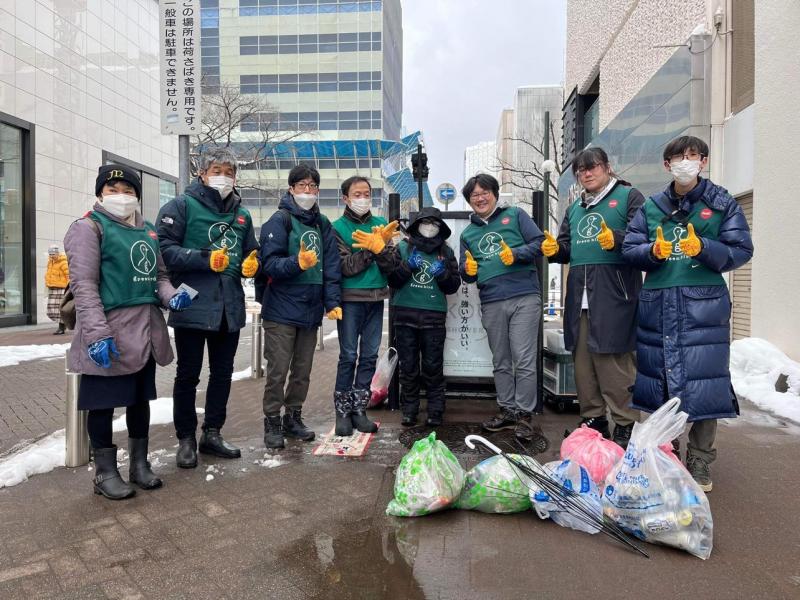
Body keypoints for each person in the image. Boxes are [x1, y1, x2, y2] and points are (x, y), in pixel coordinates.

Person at [622, 135, 753, 491]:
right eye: (678, 157)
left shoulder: (721, 202)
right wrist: (652, 250)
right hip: (658, 300)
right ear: (667, 165)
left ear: (704, 161)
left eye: (692, 155)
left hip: (703, 303)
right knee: (656, 378)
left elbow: (741, 249)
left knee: (706, 381)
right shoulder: (651, 207)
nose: (685, 161)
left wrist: (704, 248)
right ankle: (665, 452)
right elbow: (629, 250)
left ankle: (700, 459)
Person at [64, 165, 192, 500]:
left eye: (128, 189)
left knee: (139, 401)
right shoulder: (87, 228)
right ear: (100, 193)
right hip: (109, 332)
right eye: (113, 188)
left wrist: (171, 295)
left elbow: (159, 276)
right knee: (103, 405)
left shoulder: (148, 230)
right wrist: (96, 334)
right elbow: (84, 287)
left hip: (146, 332)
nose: (121, 195)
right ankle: (104, 472)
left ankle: (139, 464)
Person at [157, 148, 260, 468]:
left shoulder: (242, 214)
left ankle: (212, 432)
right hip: (192, 304)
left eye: (230, 171)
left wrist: (250, 263)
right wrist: (202, 258)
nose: (224, 176)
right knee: (188, 375)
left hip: (230, 307)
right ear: (201, 173)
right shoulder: (181, 206)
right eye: (218, 169)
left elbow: (249, 251)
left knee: (222, 374)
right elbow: (164, 251)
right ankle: (186, 438)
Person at [542, 147, 644, 448]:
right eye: (581, 170)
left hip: (615, 295)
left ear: (607, 168)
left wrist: (618, 239)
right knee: (583, 364)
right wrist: (555, 250)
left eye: (593, 167)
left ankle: (625, 424)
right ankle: (594, 420)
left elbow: (644, 238)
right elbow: (566, 246)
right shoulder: (575, 208)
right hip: (579, 297)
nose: (587, 173)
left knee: (614, 364)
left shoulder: (629, 197)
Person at [257, 164, 341, 449]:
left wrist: (332, 302)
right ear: (291, 189)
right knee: (278, 369)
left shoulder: (322, 224)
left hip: (310, 310)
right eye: (302, 185)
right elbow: (268, 263)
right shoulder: (279, 221)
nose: (308, 191)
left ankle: (294, 417)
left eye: (312, 186)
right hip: (281, 309)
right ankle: (272, 421)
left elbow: (331, 266)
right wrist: (297, 263)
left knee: (302, 370)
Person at [459, 174, 545, 441]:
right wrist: (467, 270)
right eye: (474, 195)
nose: (480, 198)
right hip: (492, 300)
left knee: (524, 358)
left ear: (495, 194)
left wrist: (516, 254)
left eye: (485, 192)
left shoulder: (516, 216)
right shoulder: (468, 233)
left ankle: (524, 415)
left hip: (524, 297)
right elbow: (467, 273)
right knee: (501, 360)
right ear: (469, 201)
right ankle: (507, 410)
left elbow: (539, 244)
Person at [330, 176, 396, 436]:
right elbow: (346, 267)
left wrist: (382, 247)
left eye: (366, 193)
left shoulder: (381, 225)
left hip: (377, 298)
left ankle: (359, 408)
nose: (363, 198)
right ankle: (342, 411)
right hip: (350, 300)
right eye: (357, 194)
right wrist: (371, 250)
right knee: (348, 356)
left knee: (369, 356)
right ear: (345, 198)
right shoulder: (337, 227)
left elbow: (392, 264)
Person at [387, 207, 461, 427]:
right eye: (425, 223)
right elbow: (393, 280)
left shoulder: (446, 253)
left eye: (434, 224)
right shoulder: (402, 248)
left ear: (440, 228)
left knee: (433, 366)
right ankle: (409, 410)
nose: (429, 228)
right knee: (408, 367)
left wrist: (443, 274)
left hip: (433, 318)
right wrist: (406, 266)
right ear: (416, 225)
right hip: (404, 316)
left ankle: (435, 411)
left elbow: (453, 286)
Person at [45, 244, 69, 334]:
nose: (52, 256)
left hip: (61, 288)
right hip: (52, 287)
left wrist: (68, 288)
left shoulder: (63, 262)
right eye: (50, 254)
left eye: (53, 254)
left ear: (57, 253)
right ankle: (63, 325)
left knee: (59, 309)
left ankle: (61, 327)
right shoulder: (50, 261)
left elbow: (68, 275)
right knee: (51, 308)